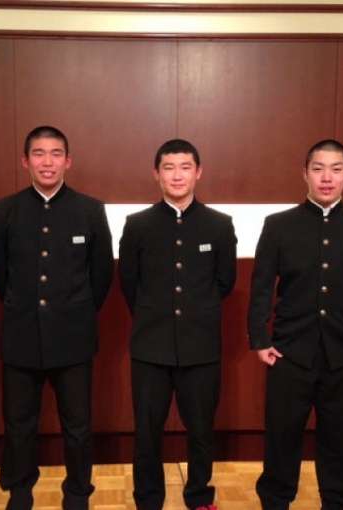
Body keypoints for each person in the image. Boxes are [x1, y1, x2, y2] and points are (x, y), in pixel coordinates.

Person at [247, 139, 343, 510]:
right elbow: (261, 286)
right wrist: (259, 338)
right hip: (289, 352)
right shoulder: (278, 226)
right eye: (318, 169)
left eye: (335, 169)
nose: (326, 177)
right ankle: (275, 502)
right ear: (305, 174)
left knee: (340, 441)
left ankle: (338, 503)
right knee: (281, 439)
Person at [0, 126, 114, 510]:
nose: (47, 162)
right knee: (18, 424)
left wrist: (74, 312)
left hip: (73, 337)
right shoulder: (6, 209)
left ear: (67, 161)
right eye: (39, 154)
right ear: (25, 160)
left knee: (77, 426)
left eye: (55, 153)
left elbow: (101, 275)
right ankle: (19, 491)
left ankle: (77, 493)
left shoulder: (89, 209)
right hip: (21, 335)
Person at [118, 139, 237, 510]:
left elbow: (225, 281)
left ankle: (199, 496)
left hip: (201, 347)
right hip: (149, 347)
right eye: (168, 167)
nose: (177, 175)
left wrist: (195, 311)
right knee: (147, 433)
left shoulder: (219, 225)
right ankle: (148, 500)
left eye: (185, 167)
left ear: (198, 172)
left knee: (201, 430)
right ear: (156, 173)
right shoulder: (137, 225)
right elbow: (129, 283)